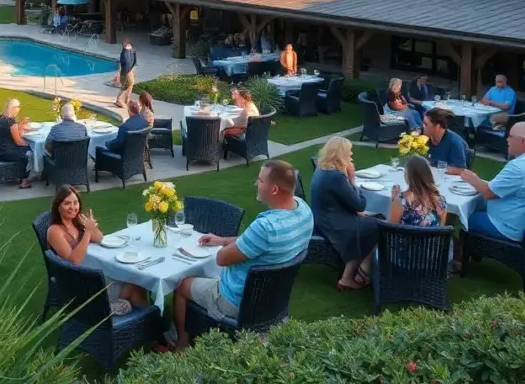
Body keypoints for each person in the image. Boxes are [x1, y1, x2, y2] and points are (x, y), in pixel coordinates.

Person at [170, 160, 312, 349]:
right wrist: (221, 240)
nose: (256, 184)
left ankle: (181, 344)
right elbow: (251, 242)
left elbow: (222, 259)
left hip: (237, 300)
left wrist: (224, 248)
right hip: (273, 299)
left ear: (274, 189)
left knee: (181, 284)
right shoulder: (304, 210)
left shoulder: (266, 227)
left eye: (260, 180)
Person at [46, 185, 148, 314]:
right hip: (80, 282)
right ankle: (119, 308)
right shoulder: (55, 231)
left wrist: (91, 227)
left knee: (135, 280)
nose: (73, 207)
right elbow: (74, 261)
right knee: (134, 285)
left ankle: (146, 315)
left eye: (75, 202)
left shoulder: (76, 220)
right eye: (67, 203)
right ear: (58, 206)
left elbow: (100, 238)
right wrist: (87, 232)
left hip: (91, 272)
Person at [459, 122, 525, 242]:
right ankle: (470, 250)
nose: (507, 140)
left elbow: (488, 193)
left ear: (524, 142)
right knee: (474, 206)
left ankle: (457, 254)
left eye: (510, 136)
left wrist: (471, 178)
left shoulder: (520, 166)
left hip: (507, 227)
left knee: (463, 217)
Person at [310, 136, 379, 290]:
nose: (351, 155)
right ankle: (352, 275)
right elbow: (360, 204)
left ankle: (359, 269)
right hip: (333, 222)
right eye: (349, 152)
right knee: (378, 225)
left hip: (323, 217)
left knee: (374, 219)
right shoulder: (336, 177)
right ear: (341, 154)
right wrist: (352, 180)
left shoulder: (322, 168)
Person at [388, 155, 447, 227]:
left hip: (406, 238)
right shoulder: (441, 201)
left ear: (409, 176)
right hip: (432, 238)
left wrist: (394, 199)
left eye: (405, 172)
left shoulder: (401, 201)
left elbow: (390, 229)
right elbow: (441, 228)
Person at [0, 98, 33, 188]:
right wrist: (30, 144)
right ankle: (24, 180)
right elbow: (19, 142)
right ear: (12, 108)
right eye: (17, 107)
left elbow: (15, 134)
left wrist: (20, 125)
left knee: (25, 149)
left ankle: (18, 173)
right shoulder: (11, 123)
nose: (19, 109)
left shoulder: (0, 118)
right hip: (5, 152)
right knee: (28, 152)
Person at [422, 107, 468, 174]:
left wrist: (433, 169)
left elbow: (460, 169)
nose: (422, 126)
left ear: (438, 126)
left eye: (426, 124)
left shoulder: (455, 142)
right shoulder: (423, 138)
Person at [115, 39, 137, 108]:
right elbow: (127, 62)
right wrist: (128, 71)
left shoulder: (129, 51)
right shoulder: (125, 53)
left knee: (130, 84)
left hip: (128, 71)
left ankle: (126, 100)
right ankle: (119, 100)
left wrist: (130, 69)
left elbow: (134, 61)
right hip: (126, 72)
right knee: (125, 86)